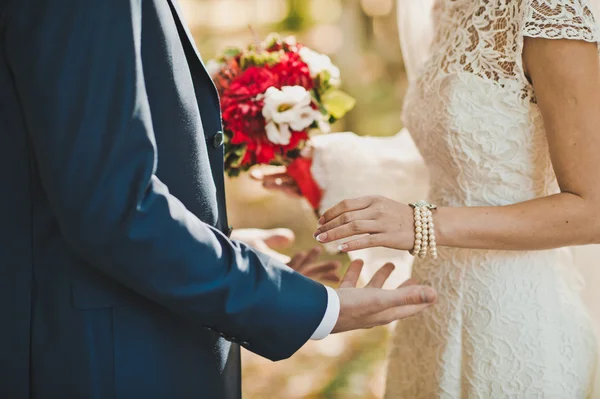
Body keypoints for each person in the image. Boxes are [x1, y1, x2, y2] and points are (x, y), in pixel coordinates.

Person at [0, 1, 438, 398]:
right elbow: (115, 209)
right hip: (103, 358)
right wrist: (312, 308)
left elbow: (63, 173)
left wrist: (225, 253)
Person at [261, 0, 600, 397]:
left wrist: (421, 223)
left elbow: (591, 210)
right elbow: (451, 162)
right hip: (429, 303)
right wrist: (325, 167)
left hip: (514, 314)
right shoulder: (445, 8)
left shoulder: (550, 13)